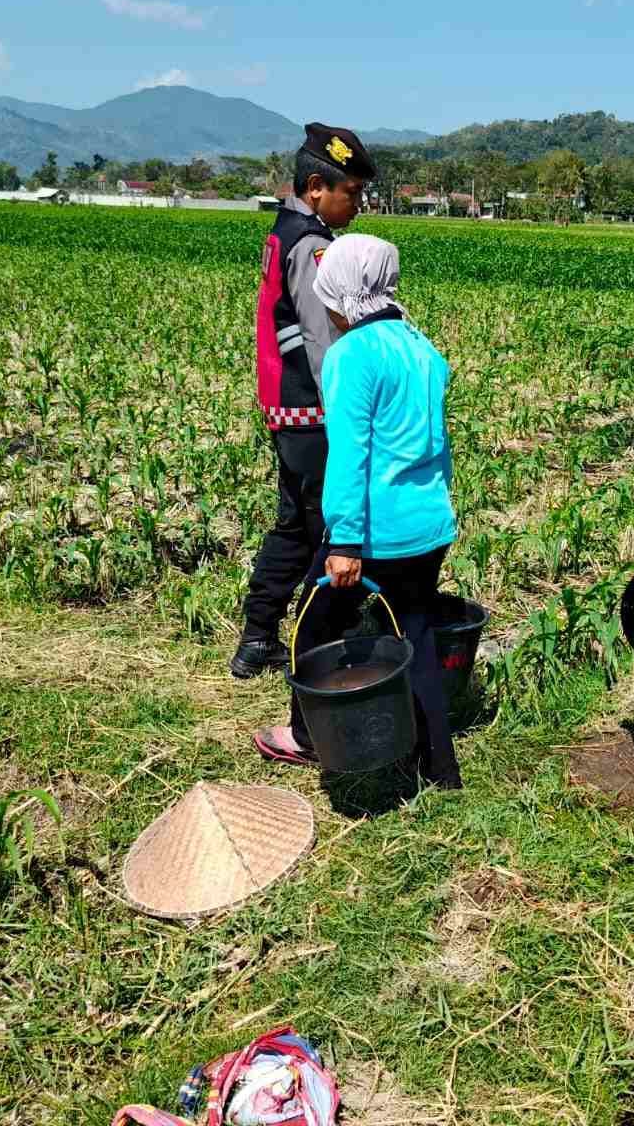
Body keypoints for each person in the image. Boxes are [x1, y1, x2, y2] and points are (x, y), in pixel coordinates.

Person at [253, 234, 462, 788]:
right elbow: (434, 445)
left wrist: (344, 541)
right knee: (413, 635)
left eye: (327, 298)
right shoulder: (421, 347)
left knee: (314, 628)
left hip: (376, 533)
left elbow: (350, 454)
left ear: (345, 294)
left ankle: (307, 735)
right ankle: (438, 766)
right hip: (430, 526)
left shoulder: (352, 357)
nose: (325, 308)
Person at [232, 124, 377, 680]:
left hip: (284, 408)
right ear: (317, 186)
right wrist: (349, 415)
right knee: (330, 531)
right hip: (314, 413)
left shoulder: (283, 231)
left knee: (293, 525)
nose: (358, 205)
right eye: (352, 193)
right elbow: (324, 346)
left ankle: (257, 638)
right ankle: (319, 647)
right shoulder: (315, 246)